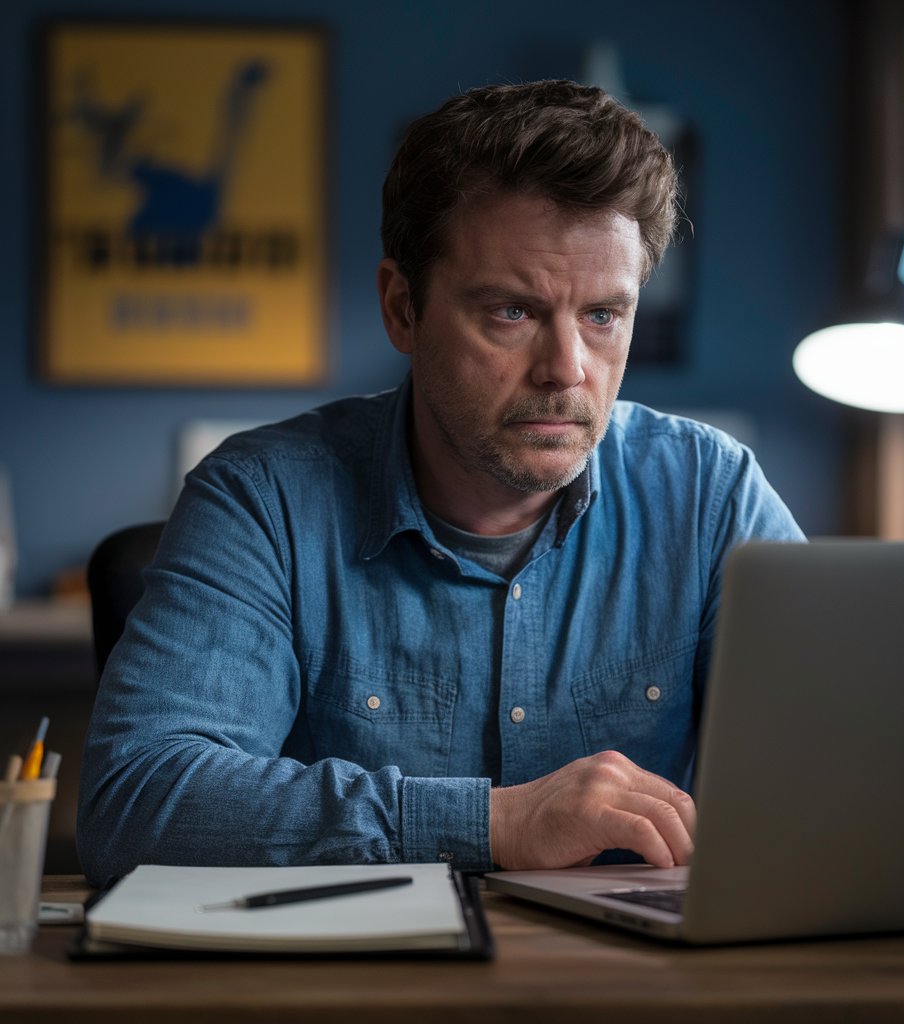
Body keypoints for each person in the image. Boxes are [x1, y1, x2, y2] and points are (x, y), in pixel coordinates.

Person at [77, 80, 804, 886]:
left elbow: (846, 763)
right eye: (512, 313)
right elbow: (135, 803)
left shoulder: (709, 493)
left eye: (603, 315)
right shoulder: (264, 500)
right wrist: (496, 823)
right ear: (402, 308)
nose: (567, 370)